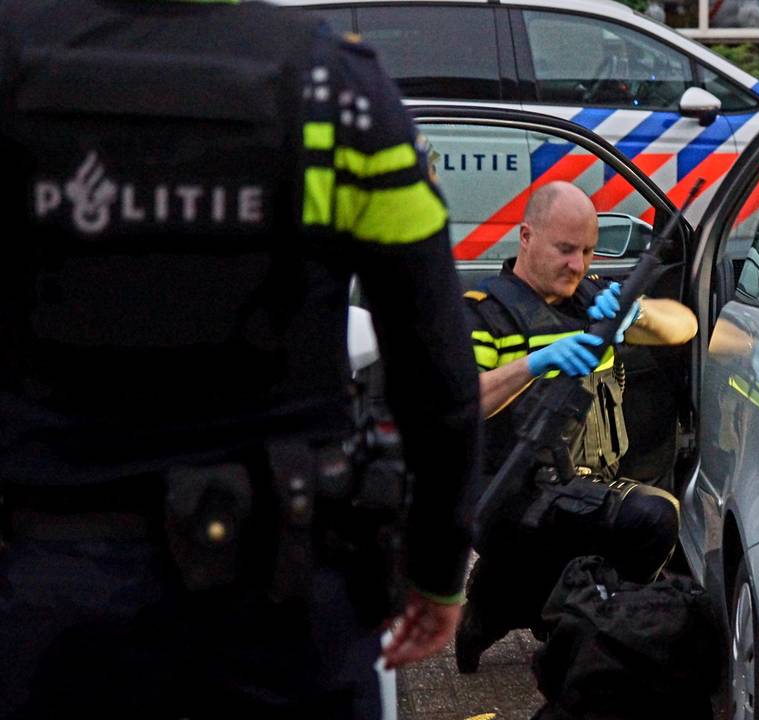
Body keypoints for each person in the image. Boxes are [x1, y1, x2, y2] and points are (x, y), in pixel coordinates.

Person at [0, 1, 479, 718]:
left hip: (44, 601)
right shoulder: (338, 91)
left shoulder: (9, 56)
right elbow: (436, 370)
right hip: (281, 608)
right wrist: (439, 571)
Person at [456, 180, 697, 673]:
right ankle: (496, 605)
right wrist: (534, 364)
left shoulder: (594, 303)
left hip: (592, 484)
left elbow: (684, 326)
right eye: (565, 249)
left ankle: (574, 625)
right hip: (513, 493)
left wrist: (637, 311)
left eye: (587, 251)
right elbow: (459, 405)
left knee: (655, 518)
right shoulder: (484, 314)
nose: (578, 264)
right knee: (580, 534)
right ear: (526, 237)